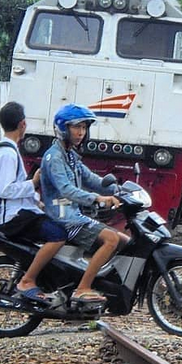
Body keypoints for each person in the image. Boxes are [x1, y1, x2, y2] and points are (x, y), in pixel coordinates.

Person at [40, 104, 128, 303]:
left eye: (84, 128)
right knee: (111, 240)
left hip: (74, 215)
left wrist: (120, 190)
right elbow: (66, 190)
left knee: (124, 240)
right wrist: (97, 198)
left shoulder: (70, 156)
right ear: (63, 128)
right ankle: (83, 287)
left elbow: (92, 180)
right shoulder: (54, 157)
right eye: (76, 127)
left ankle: (103, 282)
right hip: (63, 218)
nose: (81, 132)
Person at [0, 101, 68, 306]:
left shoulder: (10, 150)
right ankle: (28, 280)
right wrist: (33, 183)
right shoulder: (6, 153)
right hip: (14, 218)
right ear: (22, 124)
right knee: (58, 235)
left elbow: (17, 188)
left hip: (22, 211)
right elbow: (5, 190)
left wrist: (38, 202)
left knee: (59, 224)